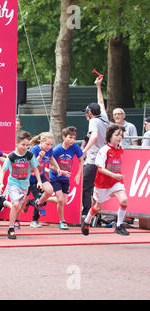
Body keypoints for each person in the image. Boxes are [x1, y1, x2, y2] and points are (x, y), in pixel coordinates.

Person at [81, 124, 130, 236]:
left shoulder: (120, 149)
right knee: (98, 207)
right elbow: (100, 168)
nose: (119, 137)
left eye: (121, 135)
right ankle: (87, 221)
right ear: (110, 136)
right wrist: (114, 175)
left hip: (116, 182)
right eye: (117, 135)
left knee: (124, 200)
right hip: (102, 184)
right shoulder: (104, 150)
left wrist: (116, 177)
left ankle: (119, 226)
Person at [0, 130, 41, 239]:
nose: (25, 147)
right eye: (23, 145)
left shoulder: (29, 155)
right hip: (13, 184)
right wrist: (1, 182)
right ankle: (11, 229)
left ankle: (4, 202)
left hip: (25, 185)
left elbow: (35, 168)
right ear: (17, 143)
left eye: (27, 145)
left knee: (18, 207)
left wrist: (39, 181)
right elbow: (3, 170)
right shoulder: (11, 156)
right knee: (16, 205)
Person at [81, 76, 109, 220]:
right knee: (100, 187)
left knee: (86, 187)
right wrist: (98, 86)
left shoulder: (93, 121)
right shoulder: (104, 117)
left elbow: (95, 136)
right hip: (105, 159)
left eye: (86, 112)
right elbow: (101, 103)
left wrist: (83, 151)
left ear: (90, 112)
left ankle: (86, 212)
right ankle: (97, 212)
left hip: (93, 159)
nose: (86, 115)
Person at [49, 126, 84, 230]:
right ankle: (62, 221)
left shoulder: (75, 147)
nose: (72, 140)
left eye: (74, 138)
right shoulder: (57, 150)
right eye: (70, 137)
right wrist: (61, 171)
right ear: (64, 137)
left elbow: (81, 160)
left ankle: (43, 199)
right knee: (60, 200)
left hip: (66, 179)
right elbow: (50, 166)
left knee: (64, 201)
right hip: (55, 177)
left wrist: (78, 174)